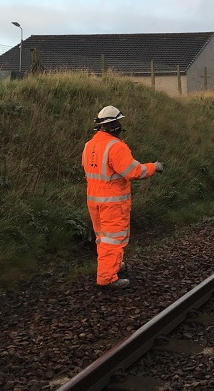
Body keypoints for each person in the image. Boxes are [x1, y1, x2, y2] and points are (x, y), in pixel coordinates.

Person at [82, 106, 163, 290]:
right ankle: (107, 278)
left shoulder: (89, 145)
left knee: (104, 238)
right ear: (113, 126)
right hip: (112, 203)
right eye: (118, 123)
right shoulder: (116, 146)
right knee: (113, 240)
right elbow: (133, 171)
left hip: (94, 200)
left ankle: (113, 266)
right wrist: (154, 167)